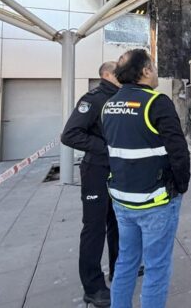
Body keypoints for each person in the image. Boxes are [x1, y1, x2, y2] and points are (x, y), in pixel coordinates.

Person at [102, 49, 190, 308]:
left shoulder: (109, 105)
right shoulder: (156, 102)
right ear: (145, 71)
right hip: (156, 202)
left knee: (126, 262)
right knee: (156, 268)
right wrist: (180, 187)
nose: (156, 71)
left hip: (122, 201)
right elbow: (179, 152)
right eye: (153, 65)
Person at [61, 62, 120, 308]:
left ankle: (119, 268)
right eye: (118, 71)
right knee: (94, 228)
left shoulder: (119, 98)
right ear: (106, 74)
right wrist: (106, 148)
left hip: (116, 171)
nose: (123, 74)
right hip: (96, 170)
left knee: (117, 222)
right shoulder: (93, 99)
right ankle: (93, 288)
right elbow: (70, 134)